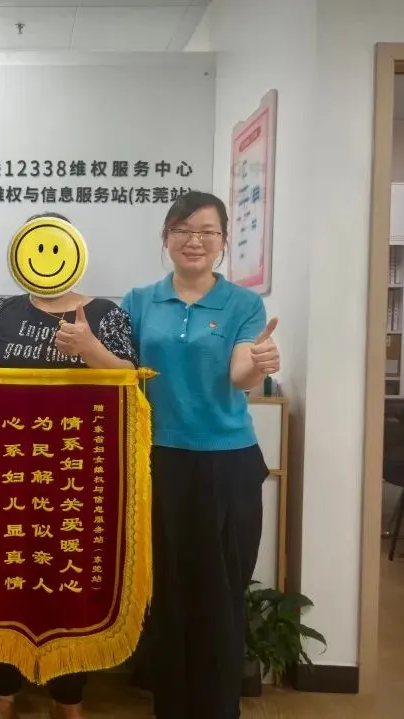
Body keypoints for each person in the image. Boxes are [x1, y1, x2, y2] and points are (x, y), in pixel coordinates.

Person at [0, 212, 136, 719]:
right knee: (6, 574)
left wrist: (90, 349)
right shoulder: (2, 310)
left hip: (78, 470)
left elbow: (130, 376)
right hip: (7, 466)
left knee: (71, 577)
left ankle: (69, 698)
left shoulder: (104, 313)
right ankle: (2, 694)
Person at [121, 192, 280, 719]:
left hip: (227, 464)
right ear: (166, 237)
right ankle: (170, 706)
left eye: (208, 232)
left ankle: (217, 708)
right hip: (159, 461)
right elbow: (121, 374)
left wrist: (259, 362)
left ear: (223, 241)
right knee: (166, 591)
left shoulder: (243, 304)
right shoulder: (138, 302)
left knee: (221, 592)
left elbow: (239, 375)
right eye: (183, 229)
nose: (195, 241)